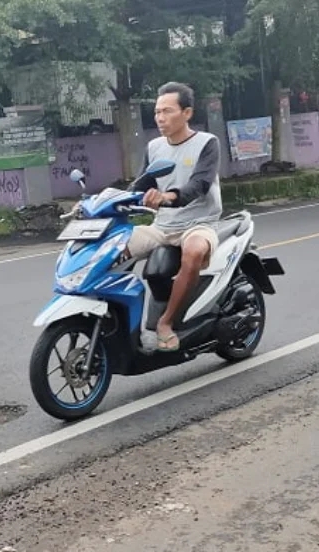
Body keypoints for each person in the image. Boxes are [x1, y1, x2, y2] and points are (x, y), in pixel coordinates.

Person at [125, 82, 223, 353]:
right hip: (161, 226)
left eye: (167, 111)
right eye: (157, 112)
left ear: (187, 113)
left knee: (192, 253)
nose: (160, 118)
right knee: (114, 245)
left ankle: (166, 323)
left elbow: (199, 185)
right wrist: (105, 200)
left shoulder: (207, 143)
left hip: (198, 223)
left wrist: (167, 197)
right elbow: (141, 184)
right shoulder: (155, 147)